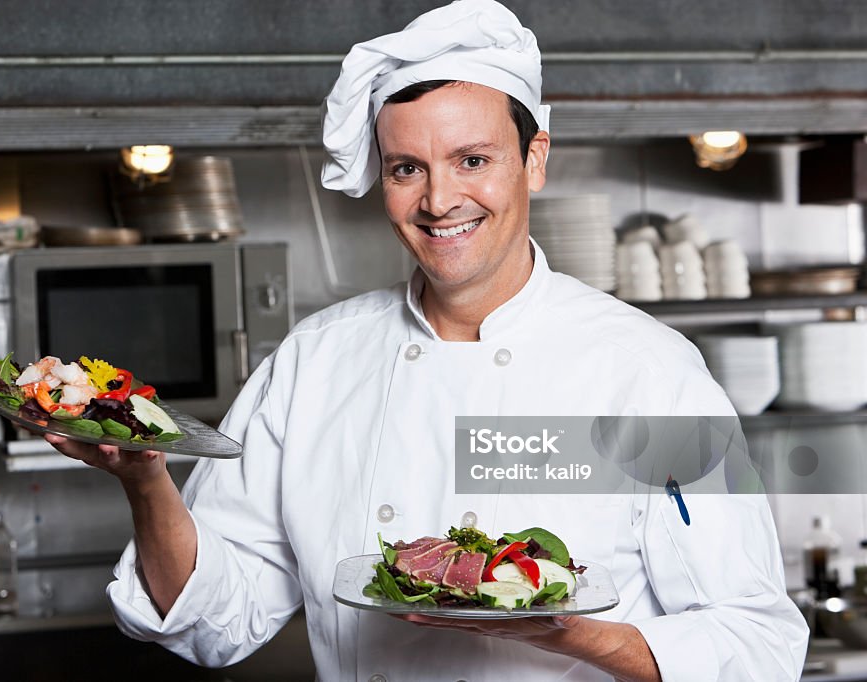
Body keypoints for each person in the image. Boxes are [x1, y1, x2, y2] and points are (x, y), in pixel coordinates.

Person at [46, 1, 810, 679]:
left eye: (472, 160)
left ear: (534, 158)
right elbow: (216, 621)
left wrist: (583, 638)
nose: (440, 200)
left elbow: (757, 642)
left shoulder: (648, 374)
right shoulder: (315, 364)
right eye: (408, 168)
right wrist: (146, 479)